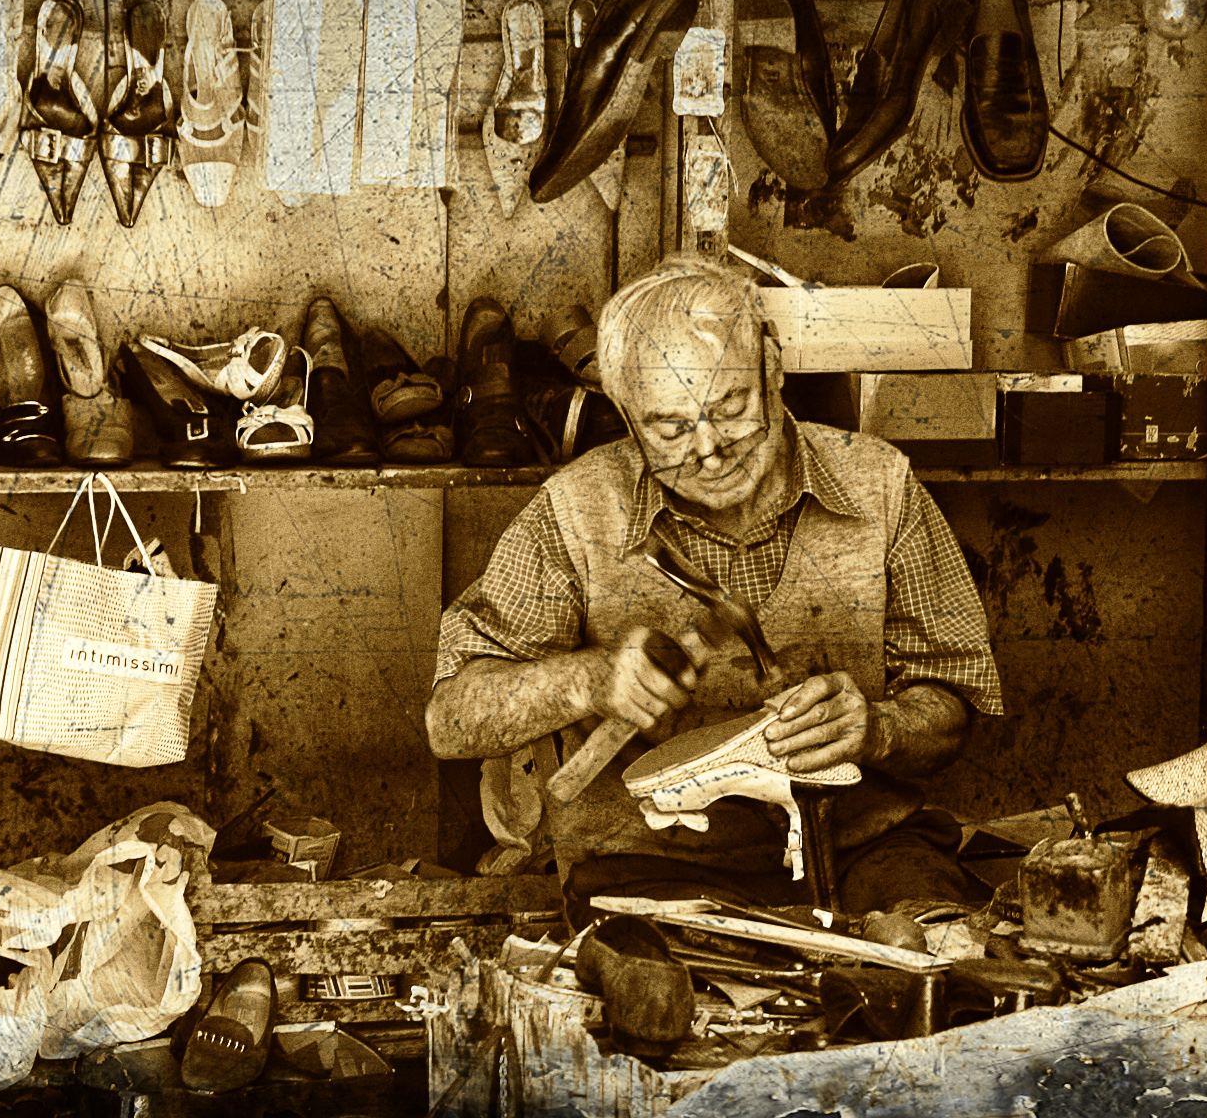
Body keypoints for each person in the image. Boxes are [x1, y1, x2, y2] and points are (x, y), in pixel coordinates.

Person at [426, 254, 1005, 920]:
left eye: (730, 408)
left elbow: (956, 701)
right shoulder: (575, 511)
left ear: (773, 366)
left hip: (862, 846)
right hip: (652, 861)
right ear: (624, 410)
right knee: (673, 994)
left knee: (932, 951)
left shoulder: (881, 487)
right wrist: (587, 680)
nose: (707, 450)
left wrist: (877, 727)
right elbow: (452, 720)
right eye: (669, 428)